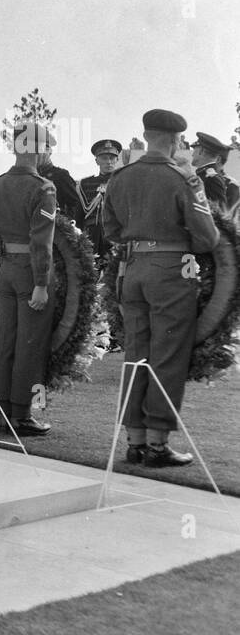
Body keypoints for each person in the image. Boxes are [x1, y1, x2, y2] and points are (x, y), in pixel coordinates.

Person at [103, 108, 219, 467]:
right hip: (170, 272)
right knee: (167, 356)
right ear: (174, 140)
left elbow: (110, 230)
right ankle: (157, 444)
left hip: (133, 269)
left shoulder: (121, 177)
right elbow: (208, 237)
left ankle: (134, 440)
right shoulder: (182, 179)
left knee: (136, 353)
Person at [0, 121, 58, 436]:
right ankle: (22, 414)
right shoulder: (43, 188)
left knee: (7, 342)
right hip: (30, 271)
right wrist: (41, 283)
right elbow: (42, 241)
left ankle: (4, 413)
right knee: (31, 344)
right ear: (39, 150)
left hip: (6, 268)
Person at [79, 139, 122, 264]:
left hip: (116, 233)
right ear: (96, 160)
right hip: (92, 234)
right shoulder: (85, 184)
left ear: (117, 159)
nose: (109, 161)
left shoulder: (123, 181)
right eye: (104, 158)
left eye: (112, 158)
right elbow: (80, 214)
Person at [189, 131, 235, 215]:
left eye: (194, 151)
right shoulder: (205, 176)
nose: (192, 154)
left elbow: (220, 213)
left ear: (201, 151)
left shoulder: (211, 179)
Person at [36, 148, 83, 223]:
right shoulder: (31, 177)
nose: (37, 156)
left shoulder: (60, 175)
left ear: (49, 151)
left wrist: (66, 224)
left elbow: (75, 204)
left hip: (56, 226)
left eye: (40, 151)